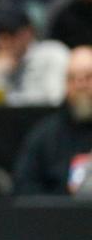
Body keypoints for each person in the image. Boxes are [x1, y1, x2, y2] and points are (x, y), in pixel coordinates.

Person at [14, 45, 92, 195]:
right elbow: (24, 186)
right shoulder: (45, 134)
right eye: (72, 79)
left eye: (88, 77)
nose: (80, 85)